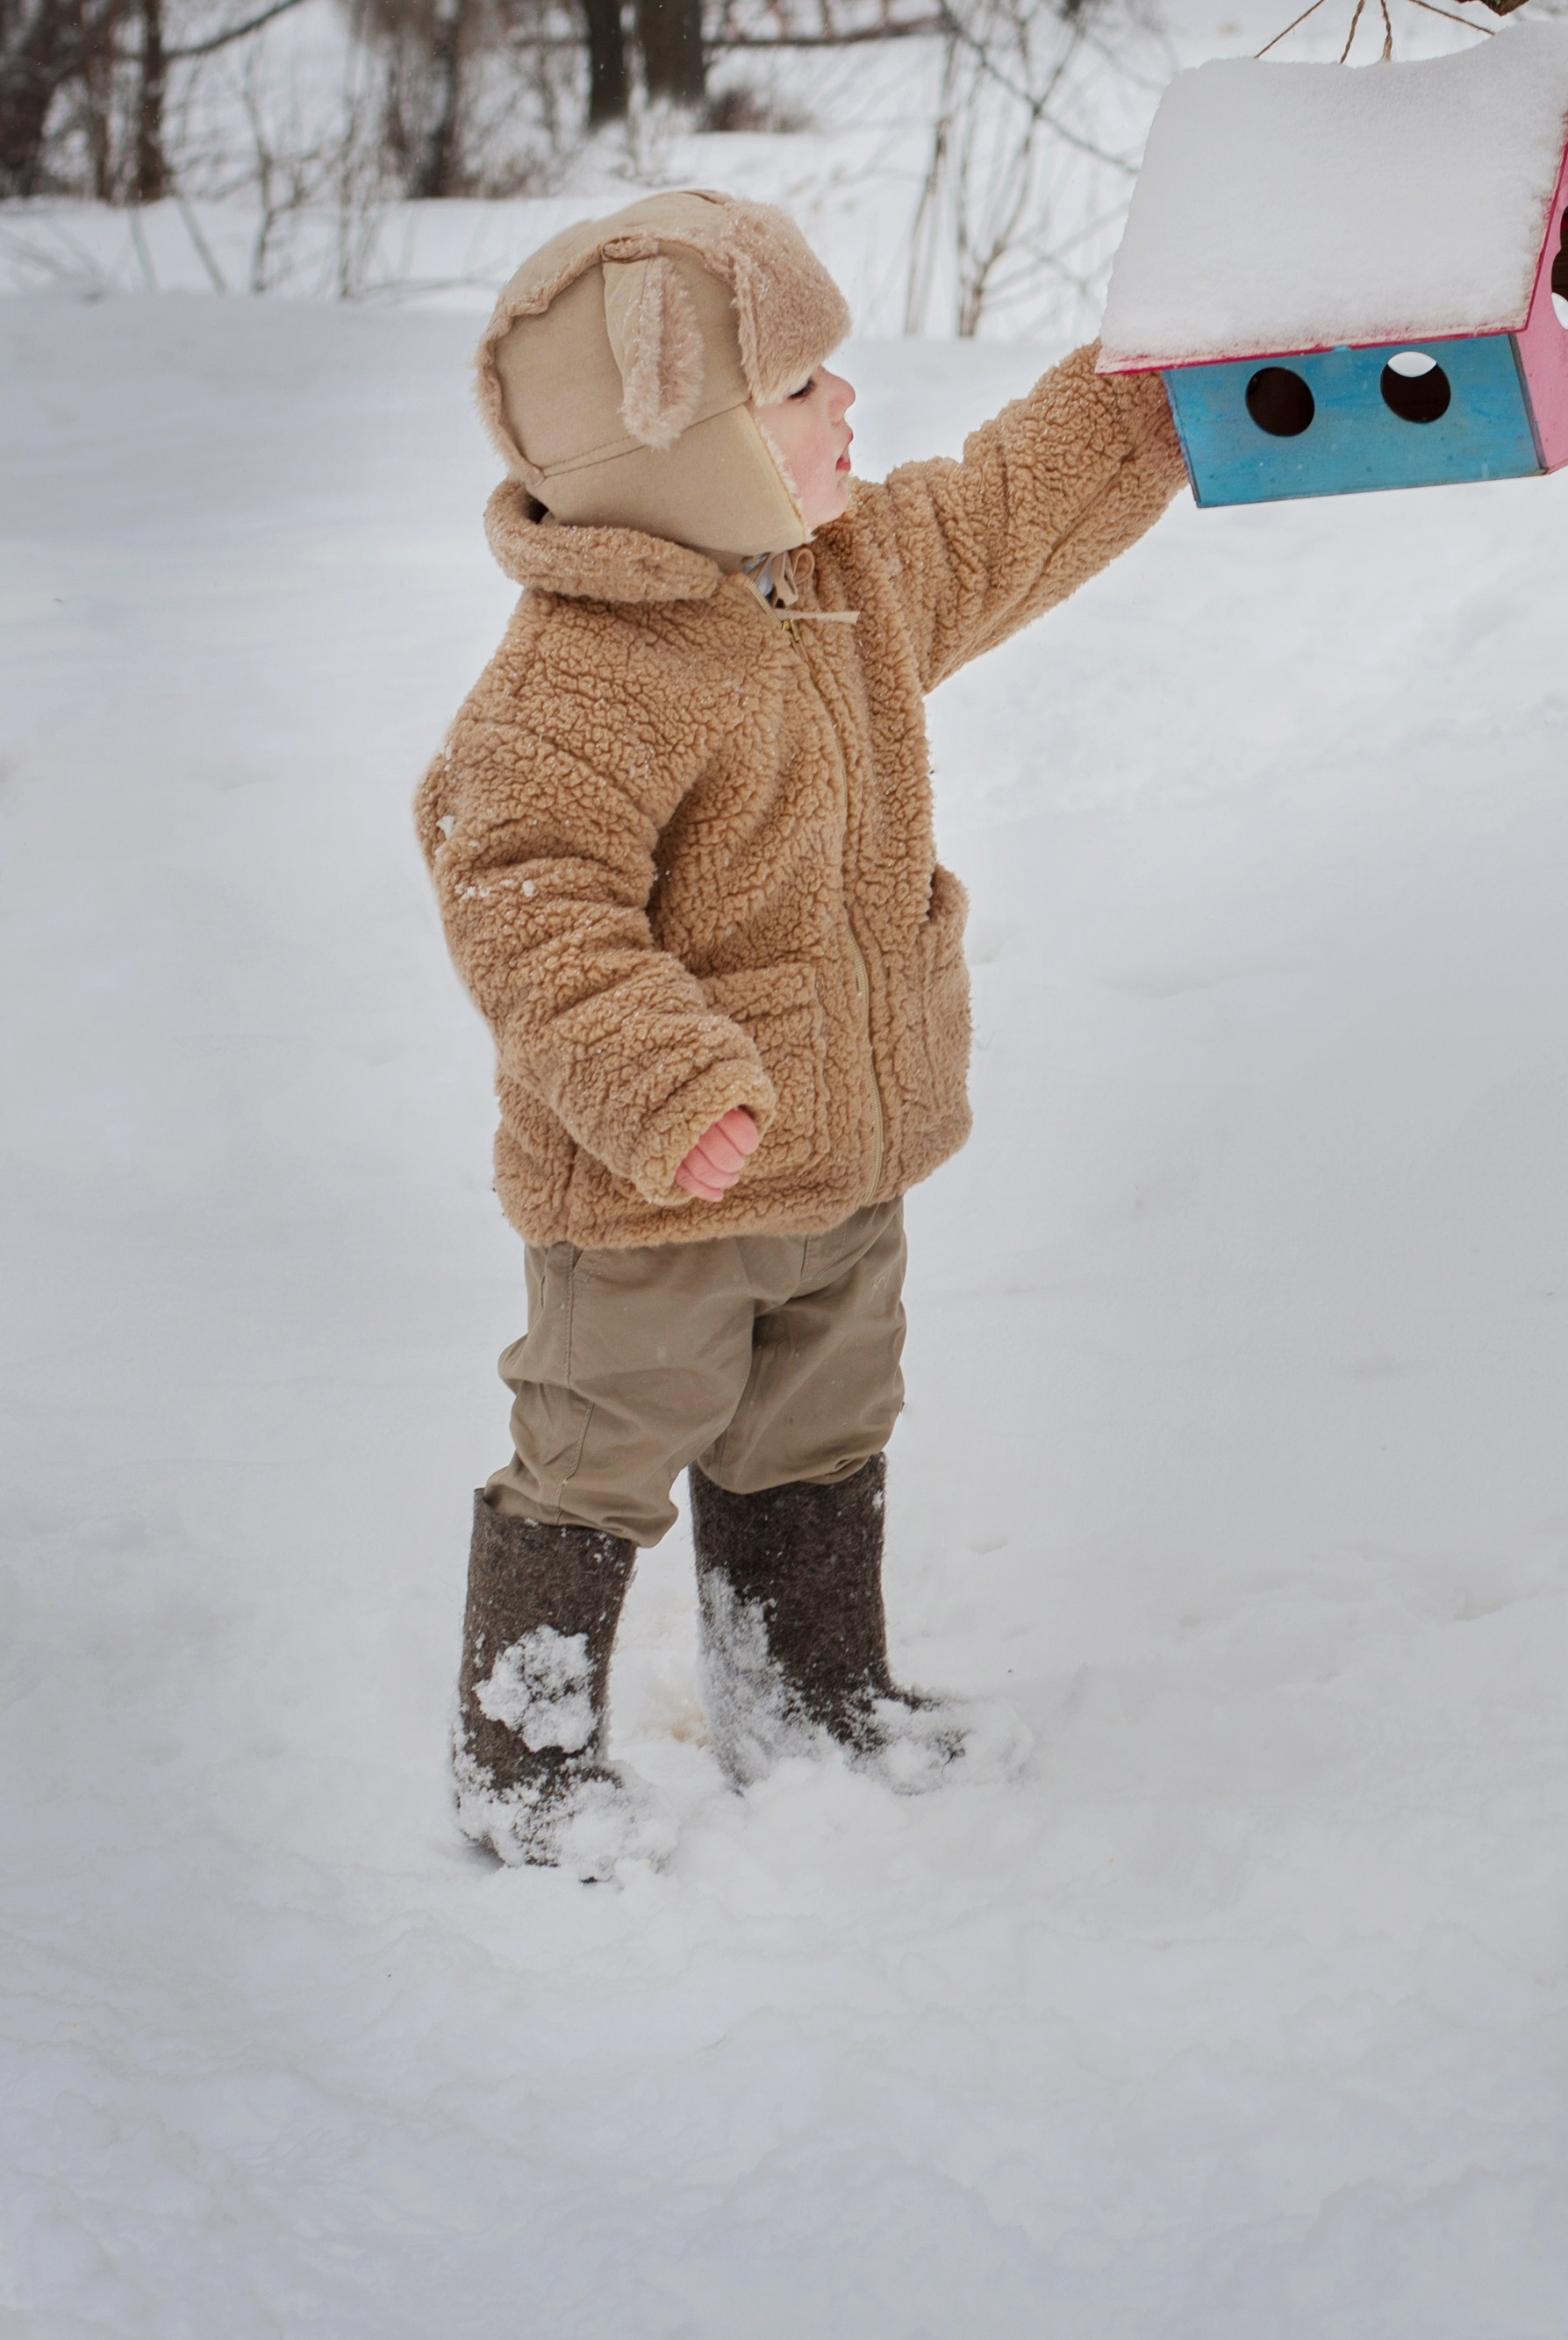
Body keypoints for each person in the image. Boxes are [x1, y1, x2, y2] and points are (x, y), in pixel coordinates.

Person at [418, 189, 1186, 1871]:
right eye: (798, 388)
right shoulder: (579, 679)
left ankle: (812, 1703)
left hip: (846, 1149)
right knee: (600, 1451)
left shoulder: (840, 581)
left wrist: (1154, 389)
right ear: (673, 441)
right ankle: (527, 1774)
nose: (848, 407)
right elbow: (521, 894)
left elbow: (1001, 518)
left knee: (822, 1430)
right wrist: (665, 1082)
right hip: (655, 1196)